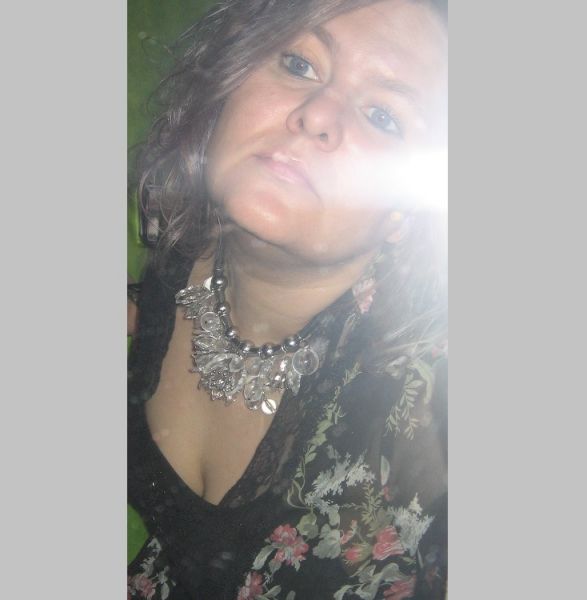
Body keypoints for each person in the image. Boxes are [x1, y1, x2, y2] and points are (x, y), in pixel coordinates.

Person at [127, 0, 448, 598]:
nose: (316, 114)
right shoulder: (179, 235)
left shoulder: (428, 402)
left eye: (384, 116)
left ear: (409, 209)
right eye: (300, 63)